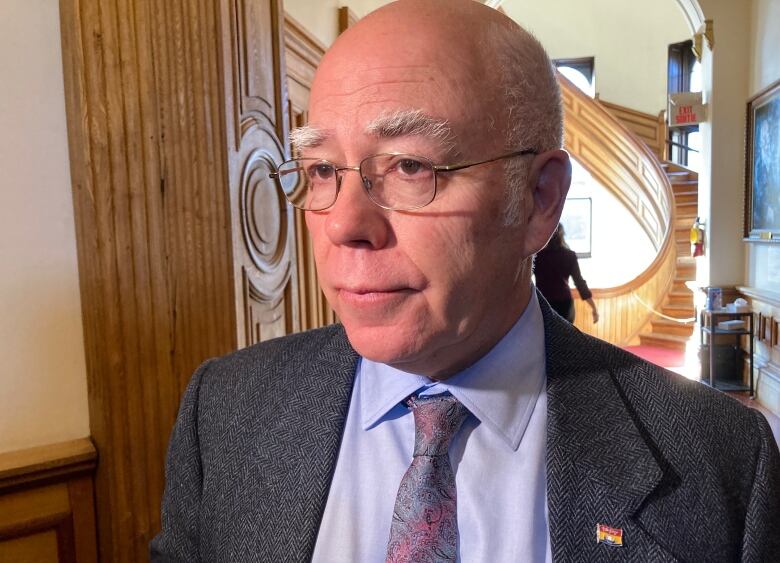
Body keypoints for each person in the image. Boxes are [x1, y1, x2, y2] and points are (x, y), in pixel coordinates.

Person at [150, 1, 780, 561]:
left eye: (409, 166)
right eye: (320, 169)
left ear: (537, 200)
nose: (344, 223)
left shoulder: (721, 461)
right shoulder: (226, 409)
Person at [534, 223, 599, 323]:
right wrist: (593, 307)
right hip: (565, 304)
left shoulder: (537, 256)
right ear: (562, 235)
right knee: (565, 338)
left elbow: (524, 281)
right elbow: (580, 283)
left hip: (543, 304)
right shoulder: (569, 255)